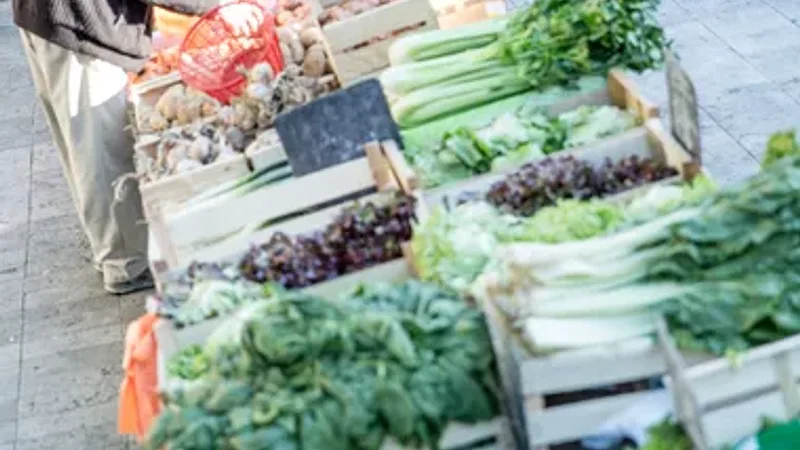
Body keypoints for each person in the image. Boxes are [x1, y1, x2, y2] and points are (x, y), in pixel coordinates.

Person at [12, 0, 261, 294]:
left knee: (81, 140)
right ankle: (126, 262)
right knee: (100, 146)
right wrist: (216, 6)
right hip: (78, 24)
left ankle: (110, 248)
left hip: (51, 16)